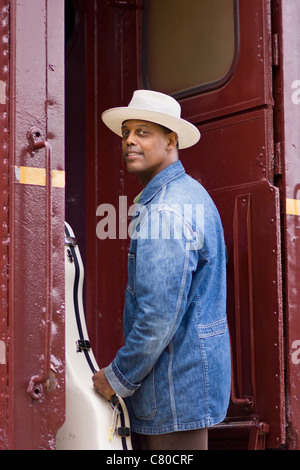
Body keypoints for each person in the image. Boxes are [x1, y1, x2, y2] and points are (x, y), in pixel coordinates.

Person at [92, 90, 231, 450]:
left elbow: (157, 317)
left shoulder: (166, 212)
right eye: (126, 133)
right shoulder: (190, 192)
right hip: (188, 385)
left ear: (171, 141)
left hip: (172, 392)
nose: (129, 142)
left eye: (143, 132)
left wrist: (117, 377)